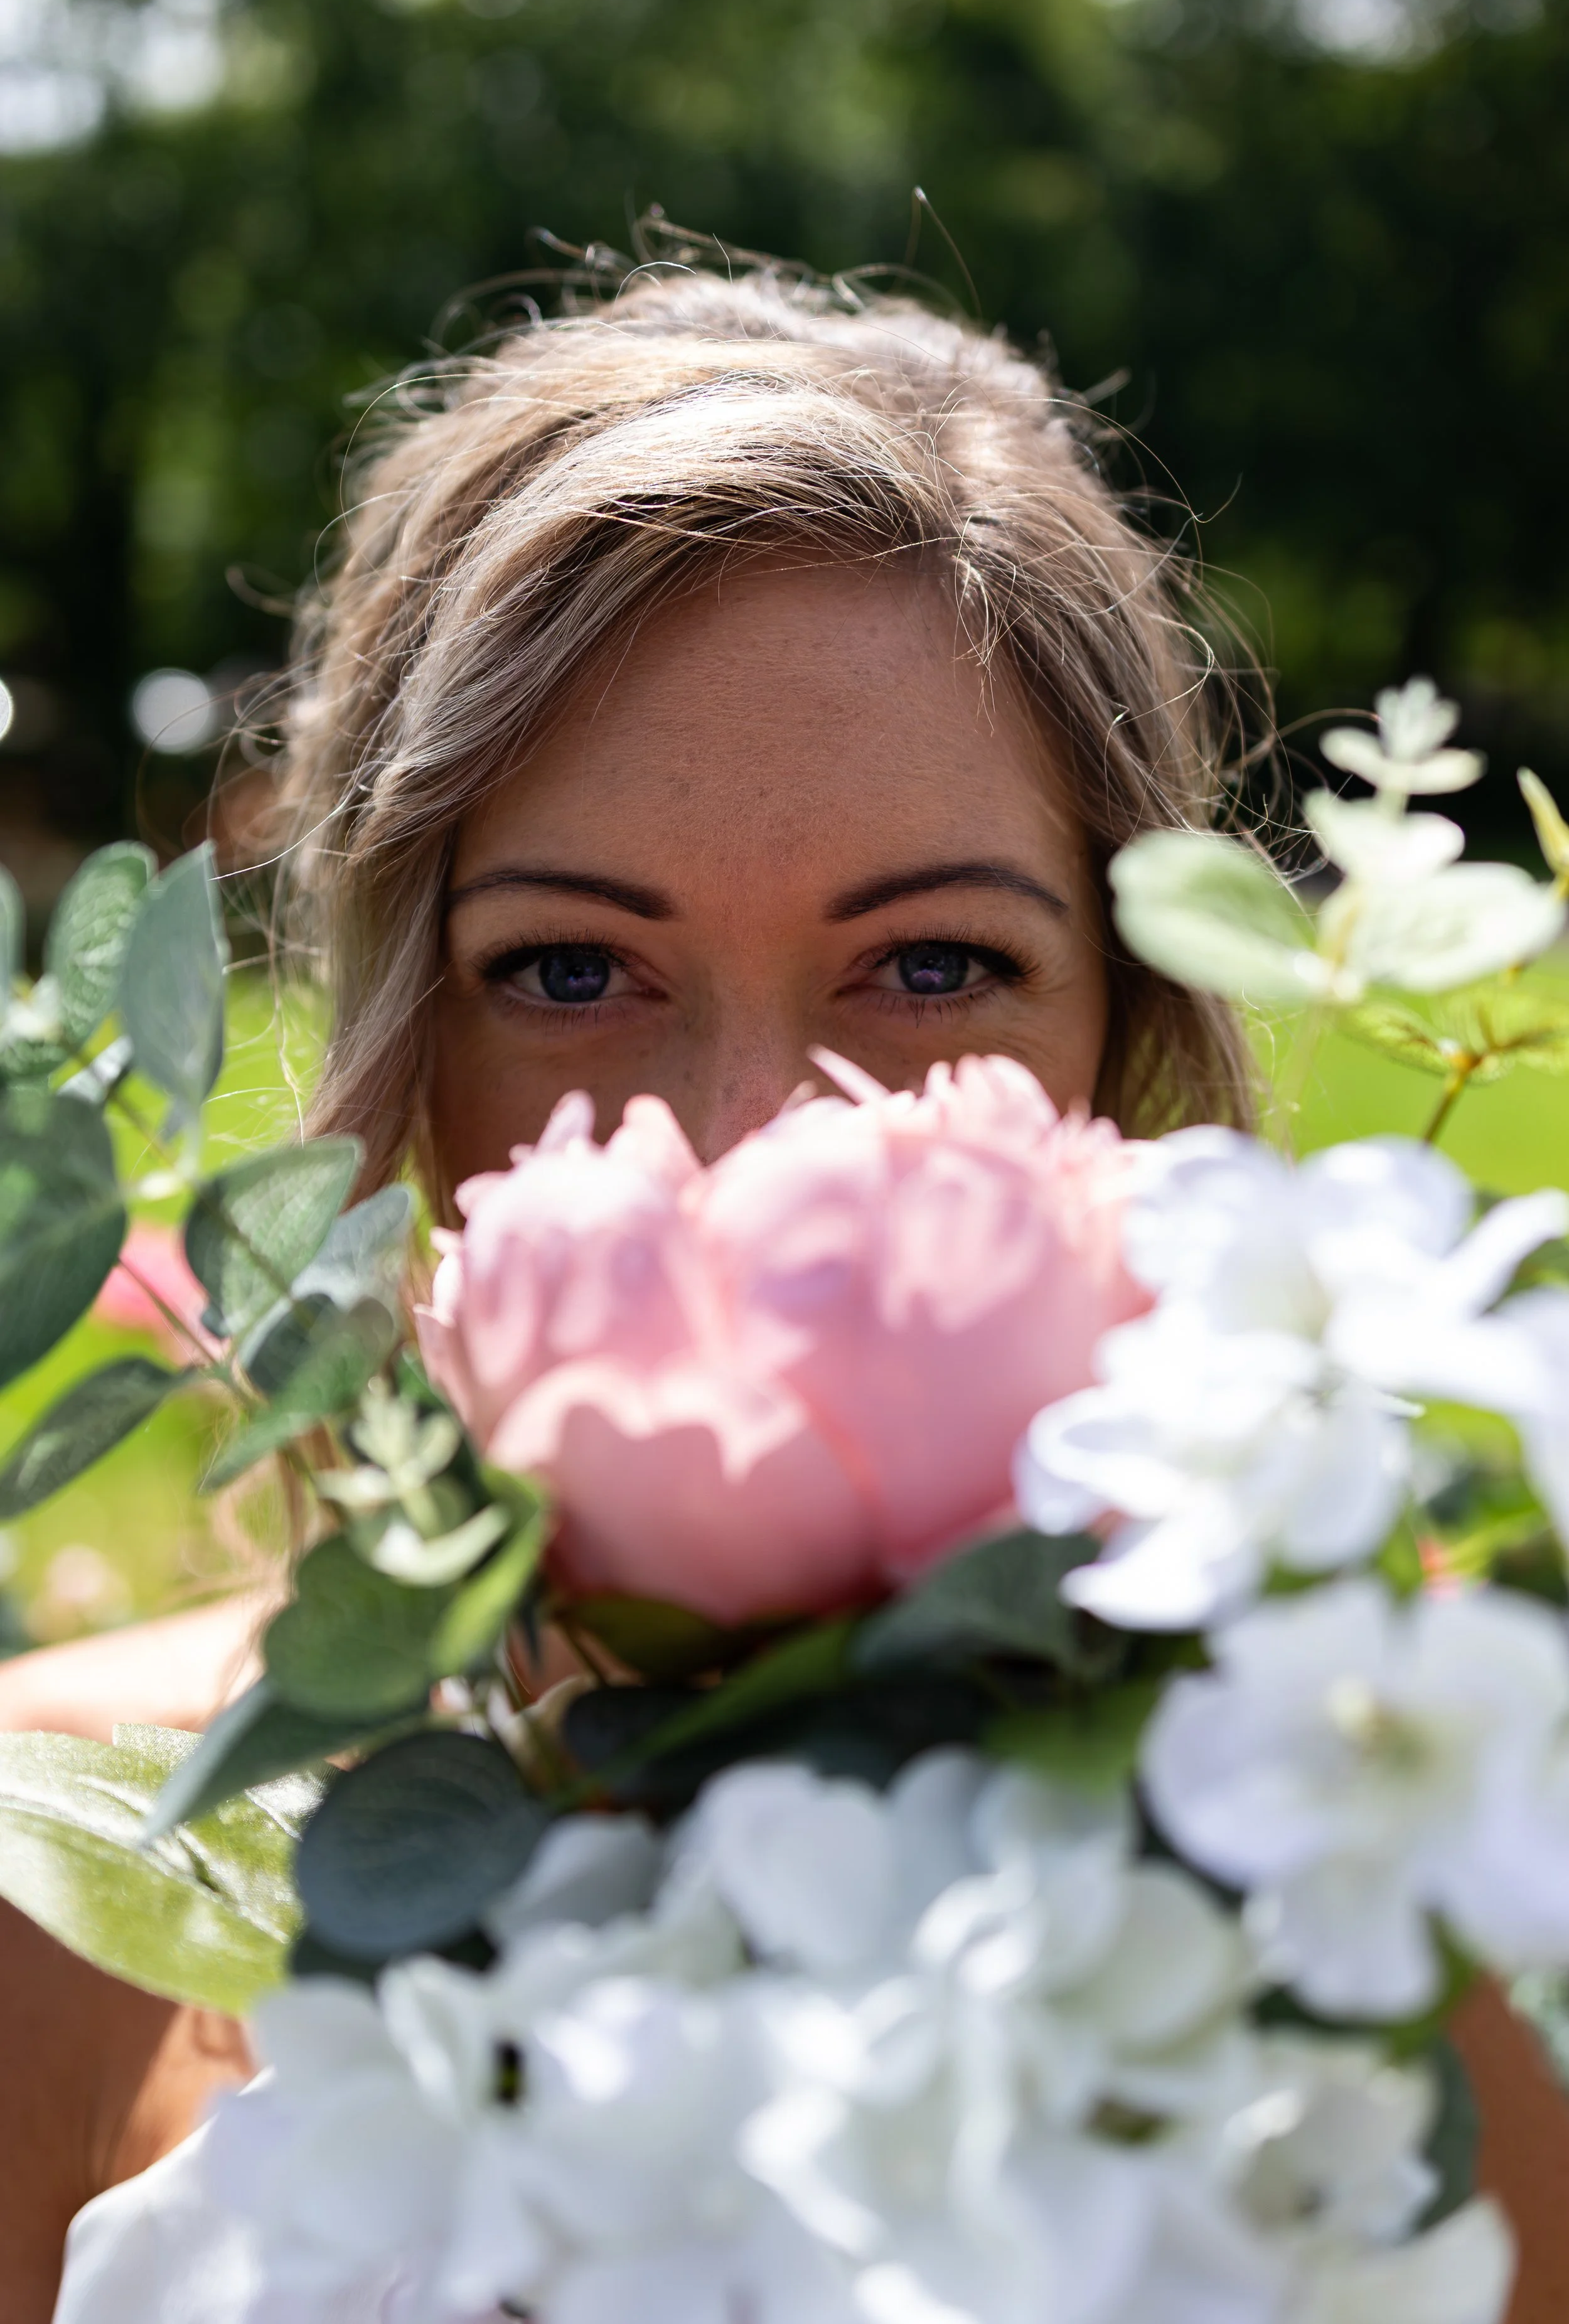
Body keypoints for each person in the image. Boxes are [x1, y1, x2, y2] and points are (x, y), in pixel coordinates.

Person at [1, 257, 1563, 2320]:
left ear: (1135, 1035)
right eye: (571, 971)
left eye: (929, 969)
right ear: (406, 1050)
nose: (749, 1144)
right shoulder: (70, 1855)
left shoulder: (1444, 1838)